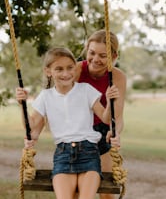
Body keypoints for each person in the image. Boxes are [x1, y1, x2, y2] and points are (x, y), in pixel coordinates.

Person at [16, 47, 120, 199]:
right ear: (48, 71)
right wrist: (22, 104)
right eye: (59, 69)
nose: (66, 74)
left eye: (70, 68)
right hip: (63, 156)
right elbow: (30, 126)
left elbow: (105, 118)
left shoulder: (85, 90)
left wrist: (110, 101)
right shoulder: (45, 96)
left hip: (89, 153)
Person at [75, 29, 126, 199]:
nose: (96, 59)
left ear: (114, 57)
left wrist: (116, 131)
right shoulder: (76, 71)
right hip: (77, 132)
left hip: (103, 132)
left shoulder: (117, 77)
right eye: (92, 53)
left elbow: (117, 117)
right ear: (86, 50)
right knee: (75, 189)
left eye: (103, 56)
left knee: (106, 189)